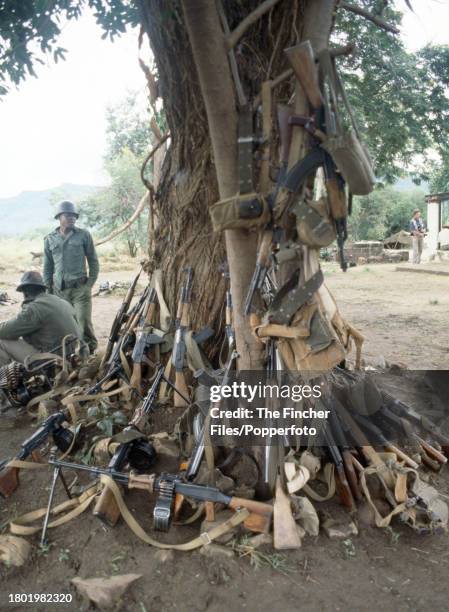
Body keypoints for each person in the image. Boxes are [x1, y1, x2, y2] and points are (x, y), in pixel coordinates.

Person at [43, 201, 99, 353]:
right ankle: (71, 354)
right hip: (59, 291)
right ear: (59, 217)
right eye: (68, 215)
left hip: (80, 289)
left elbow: (93, 261)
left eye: (74, 215)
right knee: (66, 324)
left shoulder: (83, 235)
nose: (72, 218)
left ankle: (90, 352)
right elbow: (47, 267)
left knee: (83, 321)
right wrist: (48, 290)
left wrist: (89, 285)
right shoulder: (50, 239)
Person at [0, 271, 82, 367]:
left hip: (55, 362)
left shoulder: (35, 308)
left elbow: (5, 331)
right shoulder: (62, 302)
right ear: (42, 289)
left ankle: (5, 379)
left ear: (25, 292)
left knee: (1, 341)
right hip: (76, 358)